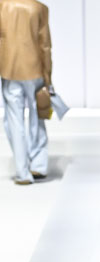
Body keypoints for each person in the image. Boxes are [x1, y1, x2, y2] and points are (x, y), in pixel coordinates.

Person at [0, 0, 52, 184]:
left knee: (14, 121)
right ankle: (38, 165)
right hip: (35, 70)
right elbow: (45, 45)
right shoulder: (40, 8)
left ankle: (22, 172)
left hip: (10, 70)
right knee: (37, 117)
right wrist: (48, 75)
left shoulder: (2, 6)